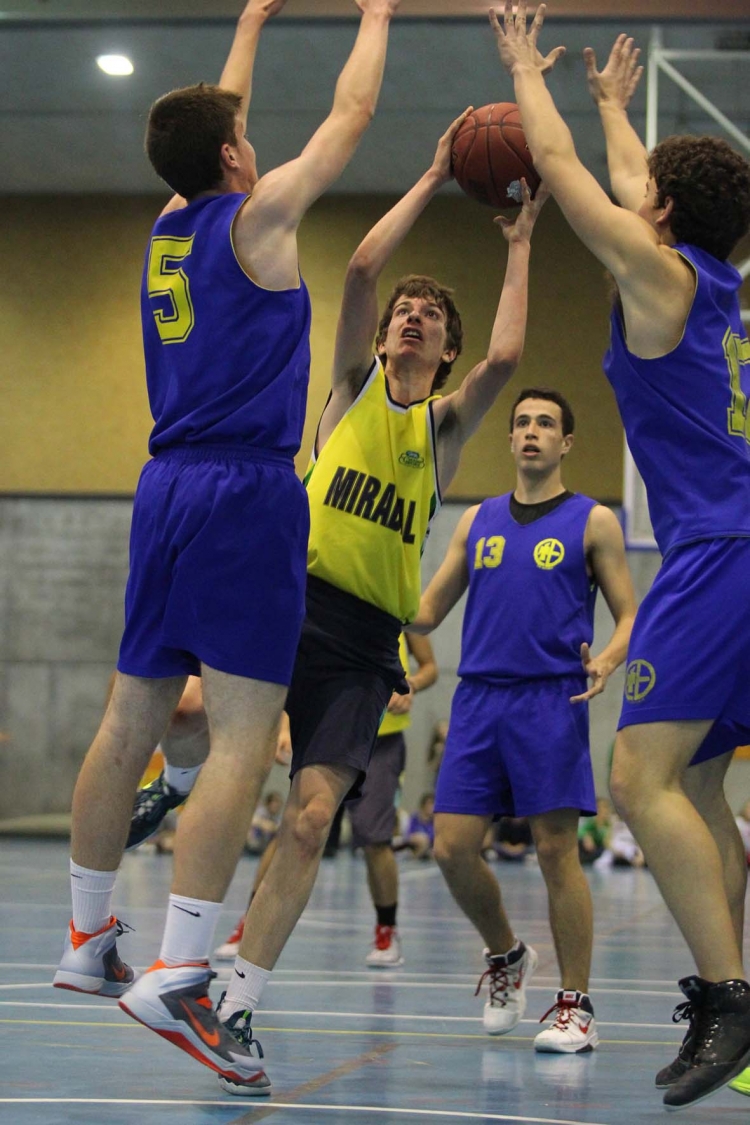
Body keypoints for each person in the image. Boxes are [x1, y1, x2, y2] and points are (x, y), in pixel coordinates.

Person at [53, 0, 404, 1095]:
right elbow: (352, 113)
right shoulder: (262, 220)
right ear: (235, 158)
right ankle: (180, 968)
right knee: (245, 740)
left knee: (131, 722)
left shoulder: (168, 223)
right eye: (242, 134)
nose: (252, 140)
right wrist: (377, 14)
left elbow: (217, 115)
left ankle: (87, 937)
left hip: (162, 487)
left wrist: (250, 19)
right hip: (247, 491)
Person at [210, 114, 548, 1096]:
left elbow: (504, 359)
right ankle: (163, 824)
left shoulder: (440, 431)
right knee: (195, 729)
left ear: (444, 347)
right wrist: (434, 173)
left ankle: (236, 1004)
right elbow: (360, 268)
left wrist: (520, 245)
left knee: (312, 818)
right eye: (406, 309)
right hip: (286, 601)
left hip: (363, 643)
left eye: (429, 316)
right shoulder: (351, 386)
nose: (411, 317)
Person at [491, 2, 750, 1108]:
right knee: (699, 785)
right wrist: (613, 108)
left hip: (715, 552)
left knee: (637, 781)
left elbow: (565, 178)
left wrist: (527, 73)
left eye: (649, 198)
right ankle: (740, 1011)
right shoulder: (716, 285)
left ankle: (730, 1000)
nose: (636, 201)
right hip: (738, 547)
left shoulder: (661, 279)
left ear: (666, 217)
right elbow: (644, 187)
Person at [410, 386, 636, 1053]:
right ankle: (507, 954)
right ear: (509, 439)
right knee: (450, 847)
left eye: (545, 423)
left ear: (566, 442)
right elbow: (425, 612)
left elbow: (630, 613)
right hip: (478, 701)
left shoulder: (594, 520)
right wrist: (356, 577)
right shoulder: (476, 520)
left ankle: (575, 1006)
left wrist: (609, 659)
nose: (532, 431)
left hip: (550, 700)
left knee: (555, 850)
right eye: (522, 423)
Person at [212, 631, 438, 968]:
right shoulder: (327, 607)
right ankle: (250, 923)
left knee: (375, 837)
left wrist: (412, 685)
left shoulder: (404, 610)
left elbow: (430, 666)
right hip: (329, 727)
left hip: (382, 738)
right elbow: (301, 663)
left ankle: (386, 930)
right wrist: (285, 726)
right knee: (293, 827)